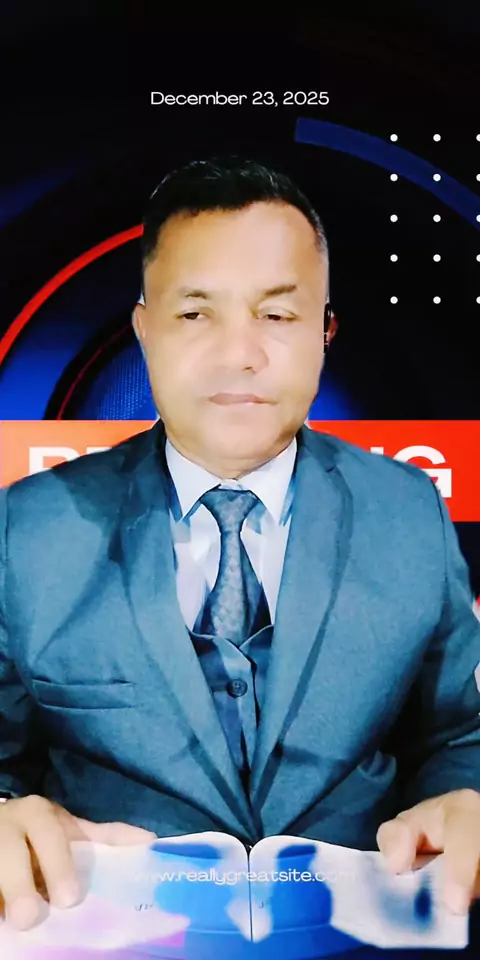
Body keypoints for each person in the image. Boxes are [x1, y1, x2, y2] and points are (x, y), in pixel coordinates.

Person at [0, 156, 479, 934]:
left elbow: (459, 733)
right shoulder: (29, 528)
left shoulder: (408, 510)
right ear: (144, 332)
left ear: (325, 333)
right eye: (196, 314)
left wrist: (467, 796)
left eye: (278, 315)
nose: (238, 354)